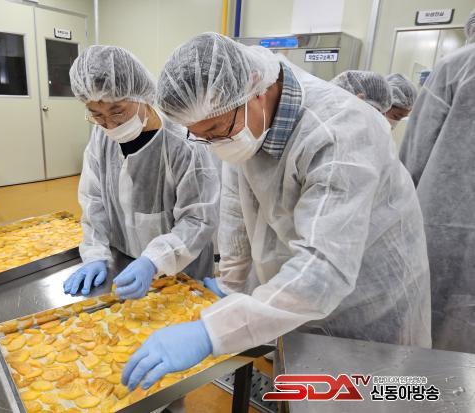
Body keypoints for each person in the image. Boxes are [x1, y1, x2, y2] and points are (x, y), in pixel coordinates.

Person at [120, 32, 431, 392]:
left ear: (256, 89)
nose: (213, 143)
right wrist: (232, 284)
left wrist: (212, 331)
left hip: (368, 306)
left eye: (216, 130)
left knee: (361, 396)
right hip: (297, 293)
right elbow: (236, 212)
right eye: (200, 135)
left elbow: (325, 267)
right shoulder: (242, 123)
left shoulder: (339, 131)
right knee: (302, 390)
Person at [63, 45, 220, 298]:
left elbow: (198, 220)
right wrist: (95, 253)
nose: (110, 124)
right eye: (96, 115)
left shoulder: (184, 143)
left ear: (142, 96)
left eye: (117, 111)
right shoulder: (102, 138)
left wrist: (154, 261)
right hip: (123, 265)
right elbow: (94, 201)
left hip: (182, 271)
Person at [399, 11, 475, 353]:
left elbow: (415, 152)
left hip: (445, 228)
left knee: (435, 326)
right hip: (448, 230)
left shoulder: (456, 66)